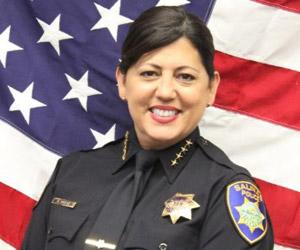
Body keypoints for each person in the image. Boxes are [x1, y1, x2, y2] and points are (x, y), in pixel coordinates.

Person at [22, 6, 274, 250]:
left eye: (185, 76)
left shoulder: (227, 193)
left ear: (211, 88)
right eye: (149, 73)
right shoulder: (72, 172)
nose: (165, 92)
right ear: (122, 80)